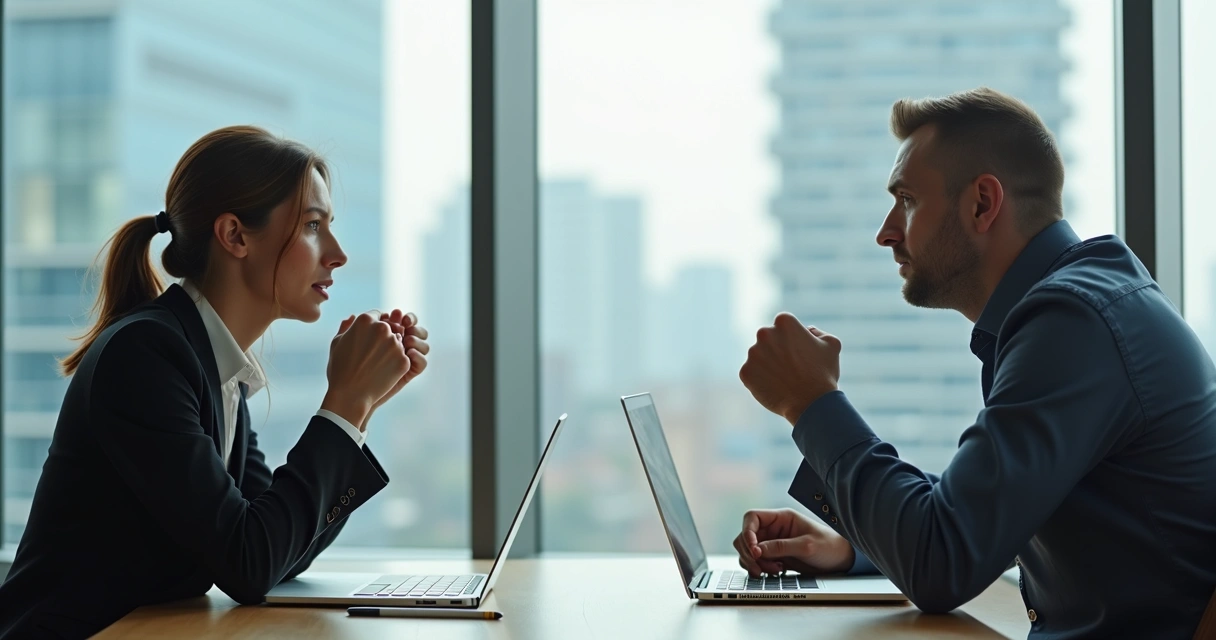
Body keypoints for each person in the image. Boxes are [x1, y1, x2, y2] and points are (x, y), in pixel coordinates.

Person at [735, 88, 1216, 638]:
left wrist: (811, 402)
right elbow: (985, 514)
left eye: (908, 200)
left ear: (983, 203)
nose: (886, 231)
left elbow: (943, 561)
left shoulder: (1074, 322)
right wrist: (852, 546)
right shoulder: (1079, 306)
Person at [0, 126, 429, 638]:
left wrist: (360, 406)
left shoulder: (213, 365)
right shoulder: (146, 356)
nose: (337, 253)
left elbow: (277, 551)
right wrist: (344, 401)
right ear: (235, 236)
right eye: (314, 225)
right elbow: (248, 561)